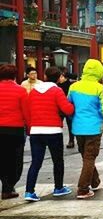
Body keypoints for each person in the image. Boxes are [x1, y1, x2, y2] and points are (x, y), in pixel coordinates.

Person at [24, 67, 75, 202]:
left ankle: (29, 191)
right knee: (57, 160)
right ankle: (58, 188)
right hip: (53, 131)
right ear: (59, 78)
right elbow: (67, 109)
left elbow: (28, 111)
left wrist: (30, 128)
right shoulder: (57, 91)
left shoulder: (33, 91)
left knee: (36, 162)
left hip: (36, 131)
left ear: (45, 77)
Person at [67, 59, 103, 199]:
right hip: (94, 127)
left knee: (86, 156)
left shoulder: (74, 87)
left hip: (78, 127)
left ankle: (95, 181)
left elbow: (69, 107)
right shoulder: (99, 88)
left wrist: (74, 118)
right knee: (90, 157)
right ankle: (83, 188)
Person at [0, 64, 29, 199]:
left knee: (2, 158)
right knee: (15, 159)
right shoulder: (20, 91)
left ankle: (5, 183)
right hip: (15, 129)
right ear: (15, 75)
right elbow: (26, 112)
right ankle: (8, 186)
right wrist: (29, 128)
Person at [57, 71, 75, 148]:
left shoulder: (70, 84)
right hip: (59, 107)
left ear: (65, 77)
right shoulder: (57, 85)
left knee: (70, 124)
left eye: (61, 77)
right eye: (59, 77)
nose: (60, 79)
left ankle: (71, 140)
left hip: (68, 106)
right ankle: (57, 140)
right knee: (58, 124)